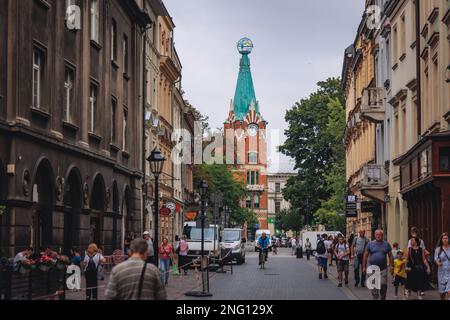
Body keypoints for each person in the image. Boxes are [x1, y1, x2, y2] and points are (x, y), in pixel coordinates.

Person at [362, 229, 394, 300]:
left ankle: (383, 297)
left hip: (383, 269)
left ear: (382, 236)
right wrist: (364, 267)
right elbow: (365, 255)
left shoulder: (386, 244)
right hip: (372, 269)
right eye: (377, 234)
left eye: (380, 235)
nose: (378, 236)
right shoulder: (370, 244)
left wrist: (391, 266)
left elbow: (390, 255)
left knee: (383, 284)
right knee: (374, 286)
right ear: (374, 235)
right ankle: (375, 298)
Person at [434, 232, 450, 300]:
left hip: (449, 271)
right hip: (441, 271)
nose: (445, 239)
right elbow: (435, 258)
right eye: (443, 238)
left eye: (446, 238)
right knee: (442, 292)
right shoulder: (438, 249)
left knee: (449, 290)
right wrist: (438, 263)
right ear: (441, 239)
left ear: (448, 239)